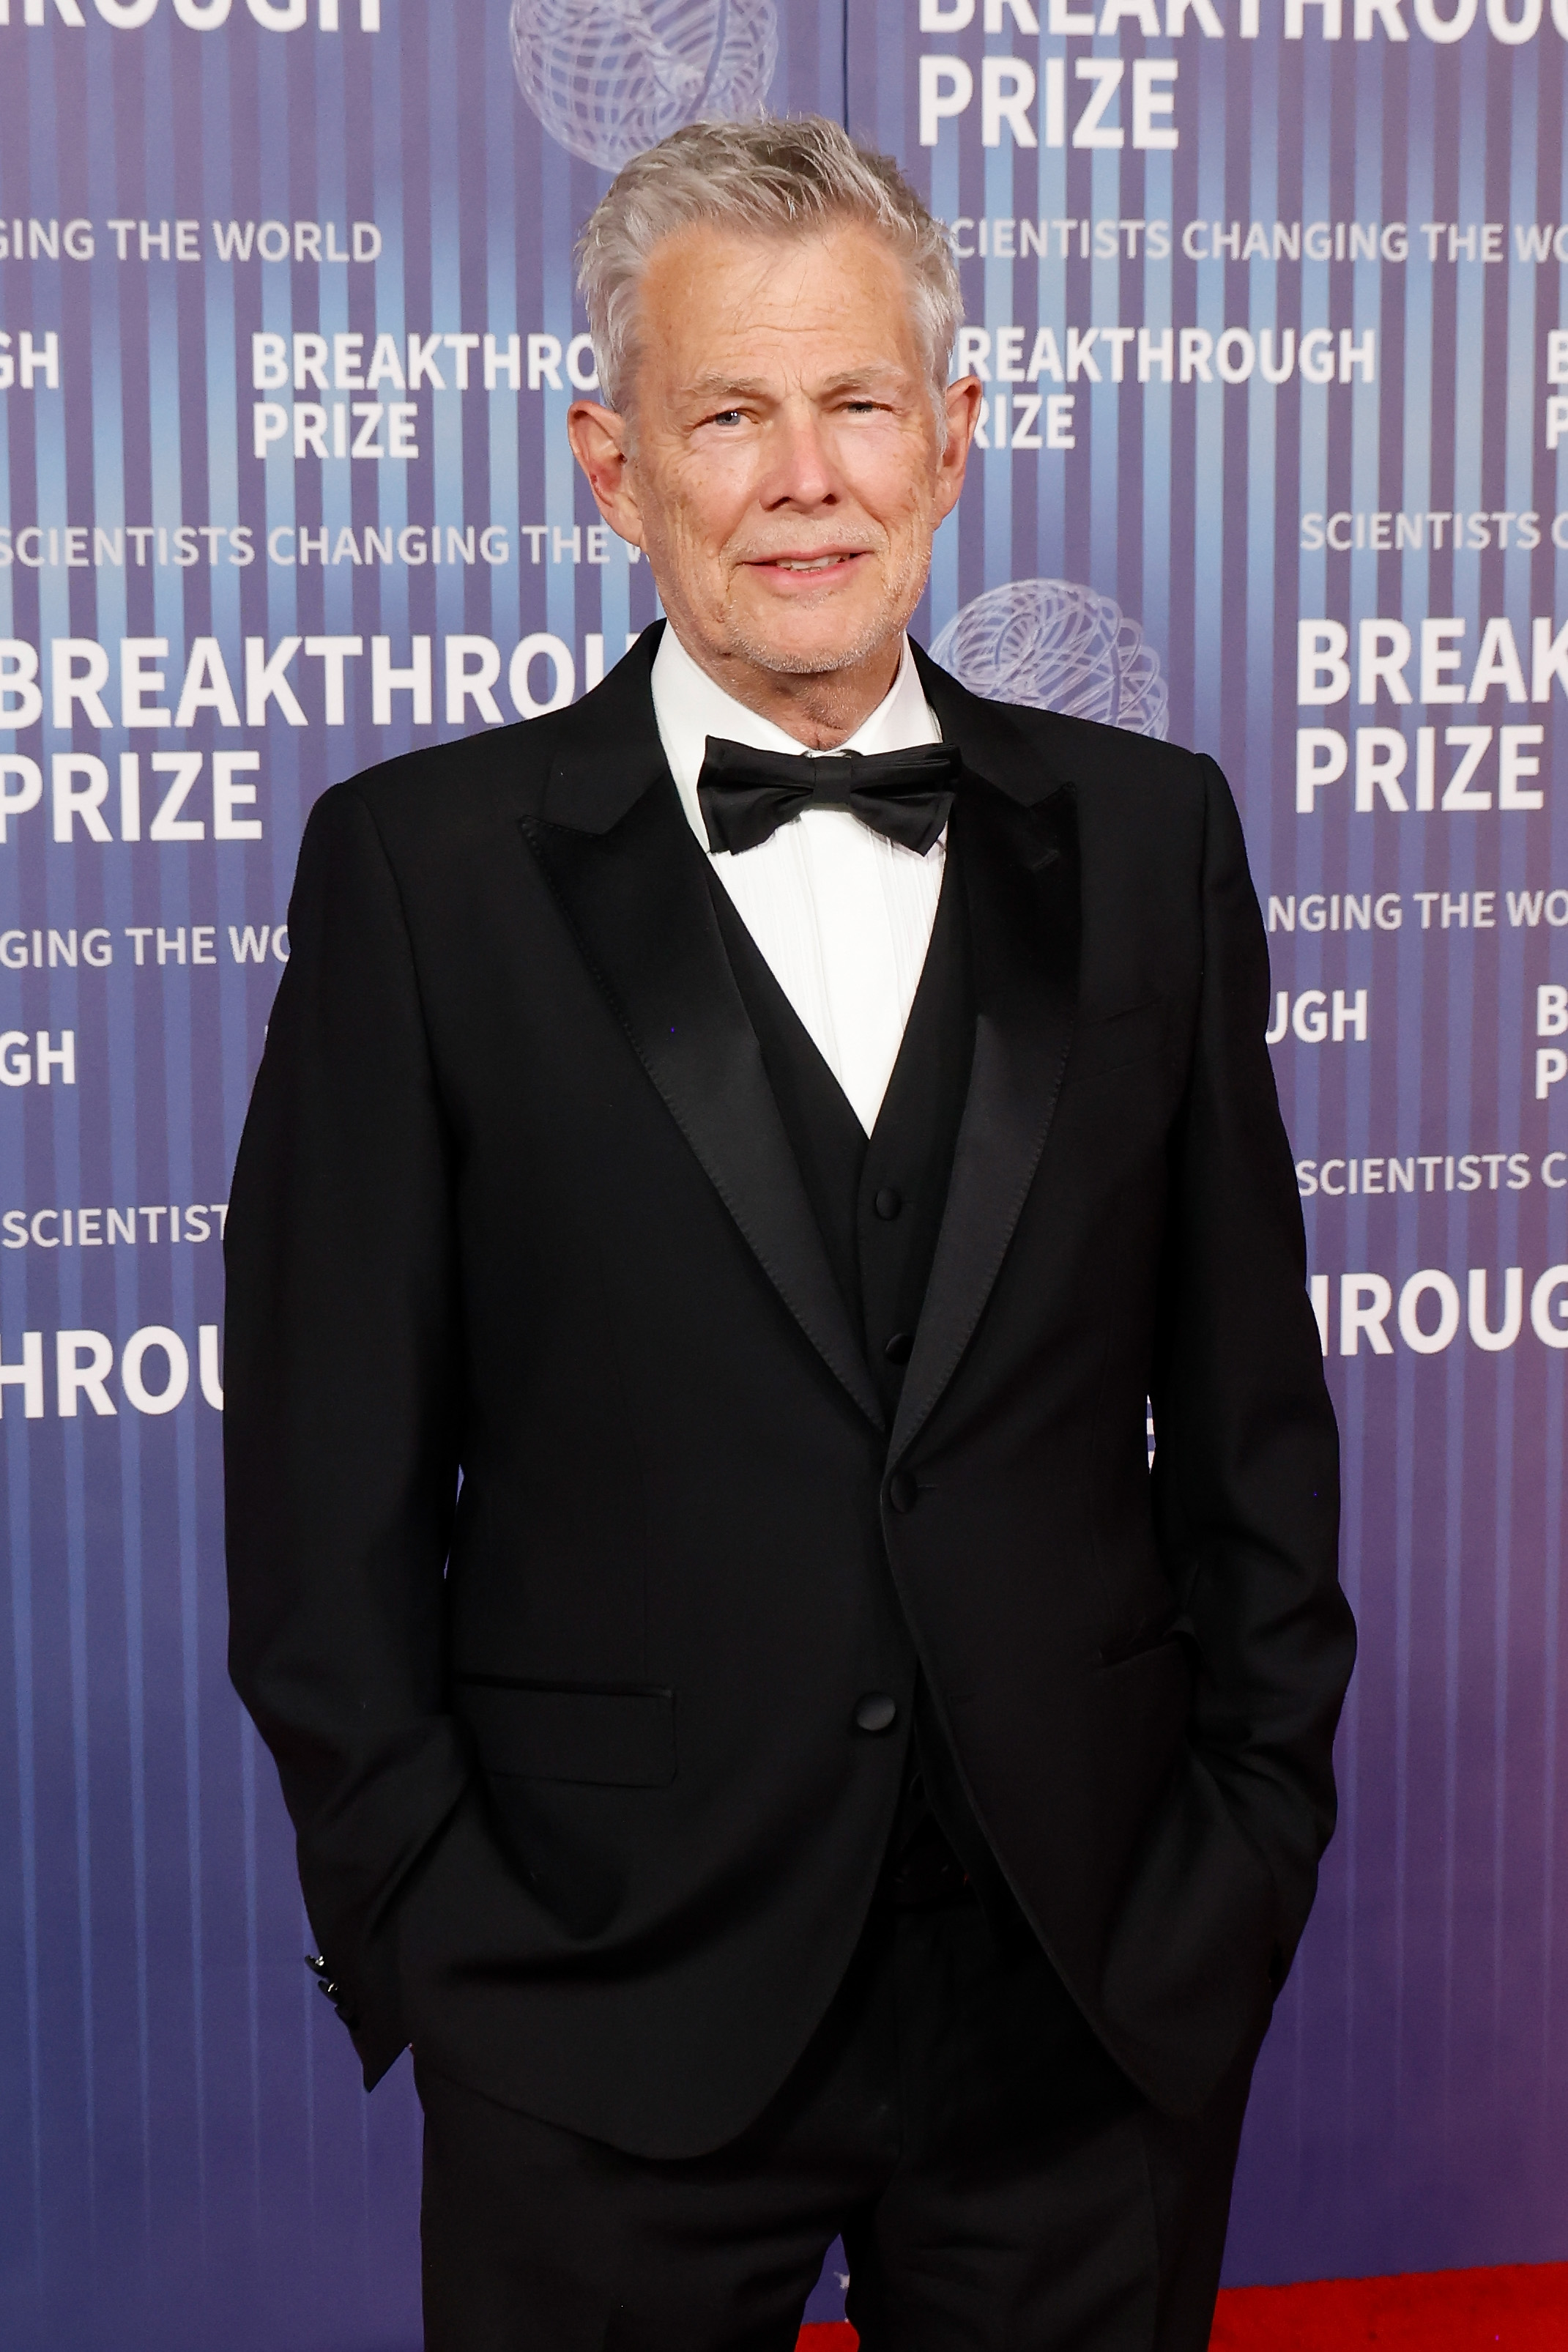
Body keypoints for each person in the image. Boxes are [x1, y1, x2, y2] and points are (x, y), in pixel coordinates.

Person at [224, 114, 1354, 2352]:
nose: (804, 475)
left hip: (1084, 2004)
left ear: (951, 439)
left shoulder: (1152, 843)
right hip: (599, 2017)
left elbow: (1252, 1432)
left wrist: (1239, 1857)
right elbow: (322, 1501)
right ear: (610, 467)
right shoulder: (422, 877)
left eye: (854, 404)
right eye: (728, 413)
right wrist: (449, 1944)